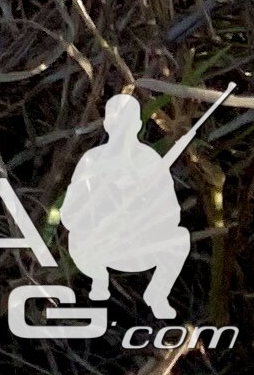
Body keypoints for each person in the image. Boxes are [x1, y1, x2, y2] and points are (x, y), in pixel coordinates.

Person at [60, 92, 193, 316]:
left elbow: (172, 212)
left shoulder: (149, 160)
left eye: (127, 121)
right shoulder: (93, 161)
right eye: (115, 120)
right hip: (100, 245)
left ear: (138, 125)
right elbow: (69, 213)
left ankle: (157, 295)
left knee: (179, 239)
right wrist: (102, 209)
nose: (121, 126)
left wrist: (143, 210)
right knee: (77, 239)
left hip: (138, 245)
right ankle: (99, 280)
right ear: (107, 123)